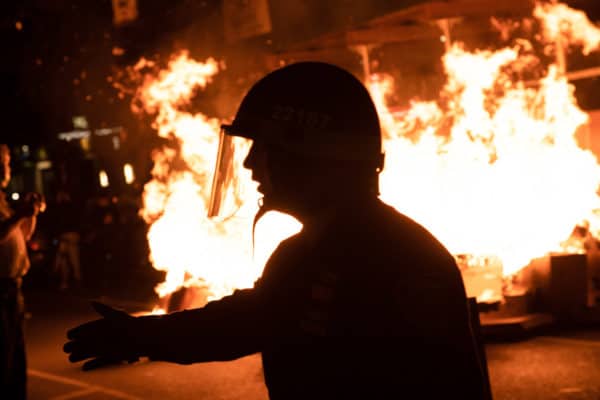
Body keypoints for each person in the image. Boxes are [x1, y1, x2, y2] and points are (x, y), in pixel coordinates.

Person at [64, 62, 488, 399]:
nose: (249, 166)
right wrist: (141, 335)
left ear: (307, 159)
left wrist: (140, 336)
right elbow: (249, 318)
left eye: (264, 150)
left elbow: (247, 323)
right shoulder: (371, 246)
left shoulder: (357, 256)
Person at [0, 144, 44, 399]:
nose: (9, 167)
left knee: (16, 358)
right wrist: (20, 215)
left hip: (13, 290)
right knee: (4, 359)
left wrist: (31, 214)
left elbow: (22, 236)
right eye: (5, 162)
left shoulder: (4, 201)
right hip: (1, 291)